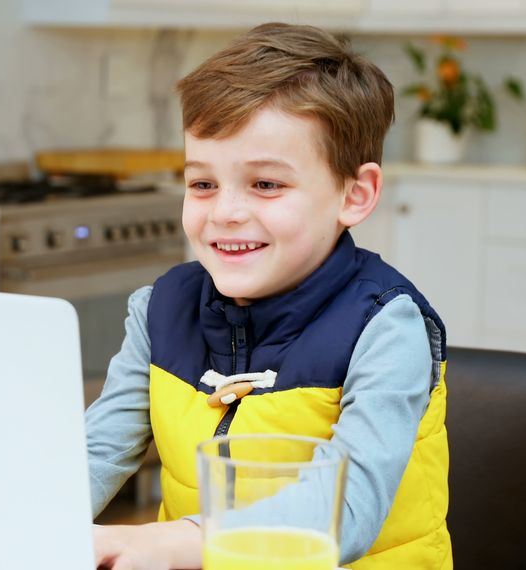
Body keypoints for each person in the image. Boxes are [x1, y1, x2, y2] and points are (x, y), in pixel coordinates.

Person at [86, 22, 451, 570]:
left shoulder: (385, 328)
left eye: (266, 184)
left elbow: (346, 510)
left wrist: (180, 542)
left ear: (355, 194)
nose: (225, 211)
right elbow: (94, 455)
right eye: (203, 184)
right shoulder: (157, 311)